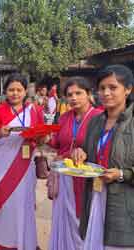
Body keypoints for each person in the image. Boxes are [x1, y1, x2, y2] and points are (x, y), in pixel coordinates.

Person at [72, 64, 134, 249]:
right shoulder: (95, 121)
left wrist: (122, 174)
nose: (106, 93)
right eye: (102, 88)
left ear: (128, 89)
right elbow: (88, 152)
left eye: (113, 87)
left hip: (124, 209)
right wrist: (80, 153)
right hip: (94, 200)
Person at [0, 73, 44, 250]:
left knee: (25, 203)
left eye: (19, 89)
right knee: (6, 205)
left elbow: (42, 139)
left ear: (25, 91)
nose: (15, 93)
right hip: (3, 166)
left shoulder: (35, 110)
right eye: (11, 89)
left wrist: (42, 137)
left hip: (26, 167)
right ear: (5, 91)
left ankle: (27, 242)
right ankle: (6, 243)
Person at [47, 77, 102, 250]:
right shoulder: (64, 118)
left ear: (89, 94)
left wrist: (83, 153)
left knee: (82, 223)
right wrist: (44, 137)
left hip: (85, 180)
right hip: (64, 179)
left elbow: (103, 148)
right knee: (64, 222)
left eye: (79, 93)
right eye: (69, 94)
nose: (74, 98)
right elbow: (56, 143)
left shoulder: (99, 117)